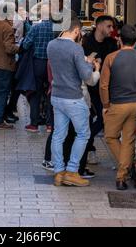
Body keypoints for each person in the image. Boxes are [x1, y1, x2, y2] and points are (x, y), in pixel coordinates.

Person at [100, 25, 136, 190]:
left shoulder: (111, 58)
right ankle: (123, 176)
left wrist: (105, 105)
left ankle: (124, 170)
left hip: (117, 104)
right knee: (129, 140)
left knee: (110, 137)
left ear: (119, 39)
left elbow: (103, 86)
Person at [48, 17, 94, 187]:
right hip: (73, 98)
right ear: (76, 30)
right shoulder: (76, 49)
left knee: (58, 135)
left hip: (56, 95)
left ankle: (59, 172)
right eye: (79, 32)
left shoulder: (51, 45)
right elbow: (86, 76)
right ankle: (72, 171)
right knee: (83, 134)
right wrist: (89, 64)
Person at [82, 15, 118, 165]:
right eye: (109, 26)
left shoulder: (111, 44)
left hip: (105, 88)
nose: (112, 30)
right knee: (88, 119)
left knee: (103, 119)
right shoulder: (86, 42)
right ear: (99, 25)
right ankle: (88, 149)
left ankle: (86, 144)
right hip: (88, 87)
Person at [22, 0, 55, 132]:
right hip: (51, 65)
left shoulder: (35, 28)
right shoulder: (56, 28)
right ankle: (49, 124)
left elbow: (25, 45)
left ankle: (34, 123)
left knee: (35, 94)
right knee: (50, 94)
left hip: (37, 64)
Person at [0, 1, 19, 130]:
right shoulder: (7, 27)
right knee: (2, 92)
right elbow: (9, 48)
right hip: (4, 64)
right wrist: (19, 47)